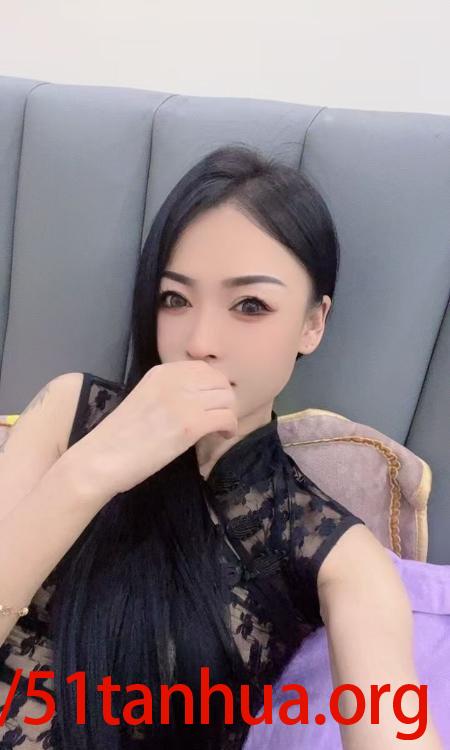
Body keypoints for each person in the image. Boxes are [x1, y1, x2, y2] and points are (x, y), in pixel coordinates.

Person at [0, 145, 444, 750]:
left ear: (312, 324)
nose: (200, 341)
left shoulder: (336, 552)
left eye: (250, 305)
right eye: (175, 299)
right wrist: (91, 471)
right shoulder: (68, 413)